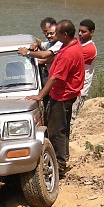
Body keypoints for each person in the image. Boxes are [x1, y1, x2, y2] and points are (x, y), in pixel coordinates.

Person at [25, 19, 84, 176]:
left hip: (62, 95)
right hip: (64, 93)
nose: (54, 35)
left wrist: (39, 96)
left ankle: (59, 163)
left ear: (65, 34)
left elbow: (55, 78)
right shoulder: (71, 44)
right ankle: (63, 158)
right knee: (62, 128)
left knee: (56, 130)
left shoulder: (69, 53)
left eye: (57, 33)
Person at [73, 19, 97, 120]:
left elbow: (69, 59)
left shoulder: (89, 49)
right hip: (74, 87)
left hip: (80, 89)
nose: (80, 34)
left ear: (91, 32)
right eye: (79, 31)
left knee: (72, 117)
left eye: (83, 32)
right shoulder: (78, 42)